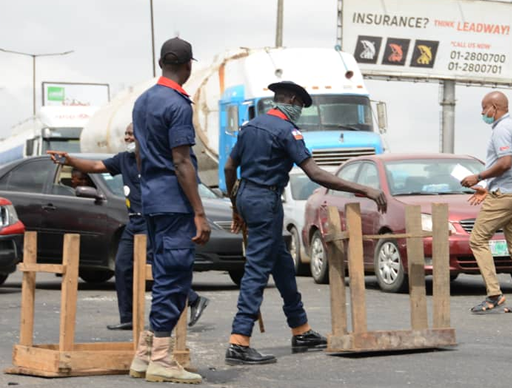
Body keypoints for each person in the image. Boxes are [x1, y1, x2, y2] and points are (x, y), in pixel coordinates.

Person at [223, 81, 387, 365]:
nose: (299, 111)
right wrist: (365, 190)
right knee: (257, 271)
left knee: (283, 264)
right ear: (292, 101)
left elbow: (228, 167)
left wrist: (236, 206)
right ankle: (239, 341)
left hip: (248, 196)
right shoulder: (287, 131)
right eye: (300, 106)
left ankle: (301, 330)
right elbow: (315, 173)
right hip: (266, 201)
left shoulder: (250, 127)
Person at [47, 123, 210, 332]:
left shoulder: (157, 160)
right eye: (126, 134)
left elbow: (184, 177)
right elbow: (96, 167)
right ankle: (128, 318)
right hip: (133, 223)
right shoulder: (123, 160)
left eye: (132, 134)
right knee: (123, 267)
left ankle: (192, 298)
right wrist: (70, 160)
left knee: (157, 267)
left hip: (152, 221)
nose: (128, 138)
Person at [128, 37, 209, 384]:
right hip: (174, 204)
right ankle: (161, 358)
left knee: (164, 277)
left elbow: (141, 157)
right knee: (174, 280)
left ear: (162, 63)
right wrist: (200, 212)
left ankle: (145, 356)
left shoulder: (142, 101)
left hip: (152, 202)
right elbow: (181, 161)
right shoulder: (177, 104)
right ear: (188, 66)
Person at [459, 91, 512, 314]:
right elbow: (508, 166)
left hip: (507, 193)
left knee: (477, 239)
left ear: (495, 107)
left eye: (484, 108)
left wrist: (478, 177)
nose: (483, 112)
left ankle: (494, 294)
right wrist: (487, 187)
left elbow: (505, 163)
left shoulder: (502, 130)